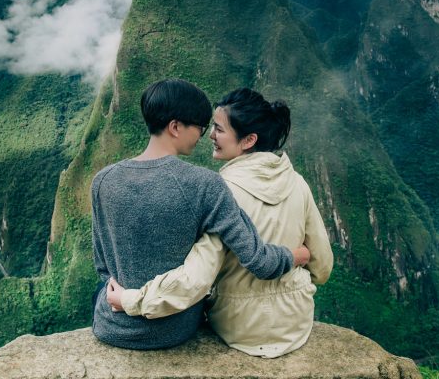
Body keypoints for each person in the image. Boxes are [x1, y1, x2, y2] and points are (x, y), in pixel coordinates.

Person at [107, 87, 333, 358]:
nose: (210, 135)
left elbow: (196, 279)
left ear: (248, 140)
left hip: (240, 326)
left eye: (219, 129)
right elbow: (322, 267)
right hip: (296, 322)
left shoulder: (220, 192)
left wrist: (130, 300)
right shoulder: (298, 183)